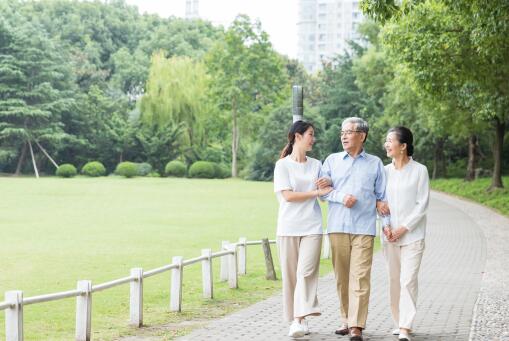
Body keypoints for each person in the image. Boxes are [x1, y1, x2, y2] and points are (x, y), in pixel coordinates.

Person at [319, 117, 386, 341]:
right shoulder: (331, 160)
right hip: (337, 226)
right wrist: (340, 196)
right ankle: (346, 319)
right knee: (342, 277)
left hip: (364, 227)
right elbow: (323, 189)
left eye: (349, 132)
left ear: (362, 135)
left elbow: (382, 196)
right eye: (342, 132)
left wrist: (381, 210)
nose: (344, 136)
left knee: (360, 276)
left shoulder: (375, 163)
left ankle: (356, 325)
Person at [273, 120, 332, 338]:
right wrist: (315, 193)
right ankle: (298, 319)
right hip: (288, 227)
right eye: (310, 134)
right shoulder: (283, 165)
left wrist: (326, 185)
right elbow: (287, 196)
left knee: (305, 273)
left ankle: (298, 319)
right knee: (291, 277)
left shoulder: (316, 164)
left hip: (312, 227)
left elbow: (324, 195)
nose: (313, 138)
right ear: (297, 136)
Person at [379, 127, 430, 341]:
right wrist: (387, 226)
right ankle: (398, 321)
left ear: (403, 145)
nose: (387, 144)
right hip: (389, 236)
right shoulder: (384, 171)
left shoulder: (420, 170)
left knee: (408, 280)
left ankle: (405, 327)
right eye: (386, 141)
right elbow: (381, 204)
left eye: (391, 141)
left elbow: (422, 205)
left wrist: (403, 228)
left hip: (413, 236)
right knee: (394, 280)